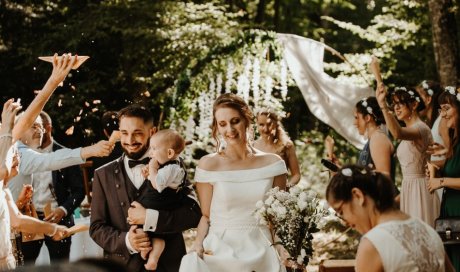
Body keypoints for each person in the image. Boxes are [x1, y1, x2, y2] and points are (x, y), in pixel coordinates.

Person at [179, 93, 288, 272]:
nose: (230, 129)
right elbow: (206, 216)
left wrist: (283, 249)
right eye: (222, 124)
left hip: (262, 248)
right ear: (217, 128)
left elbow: (276, 220)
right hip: (220, 249)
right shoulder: (209, 164)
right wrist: (198, 244)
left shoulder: (274, 164)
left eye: (235, 121)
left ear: (246, 119)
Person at [90, 104, 201, 272]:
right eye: (124, 133)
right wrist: (127, 241)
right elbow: (97, 228)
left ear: (152, 131)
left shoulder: (174, 166)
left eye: (137, 133)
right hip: (122, 267)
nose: (129, 140)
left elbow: (193, 215)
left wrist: (151, 218)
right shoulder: (103, 174)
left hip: (168, 265)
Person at [0, 54, 81, 269]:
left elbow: (14, 218)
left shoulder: (4, 191)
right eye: (12, 156)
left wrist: (54, 80)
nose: (16, 157)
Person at [326, 165, 449, 272]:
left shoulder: (373, 244)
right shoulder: (428, 230)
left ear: (358, 195)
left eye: (341, 212)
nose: (346, 223)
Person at [15, 111, 86, 264]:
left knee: (60, 265)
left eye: (38, 127)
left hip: (58, 220)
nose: (35, 132)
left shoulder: (64, 154)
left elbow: (79, 190)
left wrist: (64, 209)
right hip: (29, 219)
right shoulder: (21, 154)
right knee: (25, 264)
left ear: (48, 128)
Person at [376, 84, 440, 226]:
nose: (396, 108)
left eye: (401, 103)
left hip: (421, 191)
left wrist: (383, 106)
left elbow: (397, 133)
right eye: (394, 104)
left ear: (414, 104)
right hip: (408, 190)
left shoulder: (421, 128)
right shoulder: (409, 129)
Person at [129, 129, 191, 270]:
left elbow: (158, 185)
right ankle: (152, 258)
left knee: (138, 219)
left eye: (154, 149)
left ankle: (150, 255)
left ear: (169, 153)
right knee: (157, 238)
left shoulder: (173, 168)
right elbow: (155, 178)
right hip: (156, 204)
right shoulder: (168, 166)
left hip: (160, 205)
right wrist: (149, 173)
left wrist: (152, 167)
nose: (151, 153)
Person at [426, 86, 460, 271]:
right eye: (441, 109)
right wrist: (436, 168)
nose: (443, 114)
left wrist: (440, 182)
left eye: (446, 108)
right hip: (451, 215)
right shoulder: (455, 142)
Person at [325, 97, 395, 180]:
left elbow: (384, 178)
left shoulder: (378, 138)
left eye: (356, 118)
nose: (354, 123)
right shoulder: (374, 139)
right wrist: (342, 171)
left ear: (367, 118)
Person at [254, 109, 300, 187]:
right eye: (261, 125)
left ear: (276, 123)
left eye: (269, 124)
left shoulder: (287, 145)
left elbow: (296, 174)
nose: (265, 129)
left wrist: (286, 188)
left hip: (278, 194)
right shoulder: (253, 146)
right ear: (257, 125)